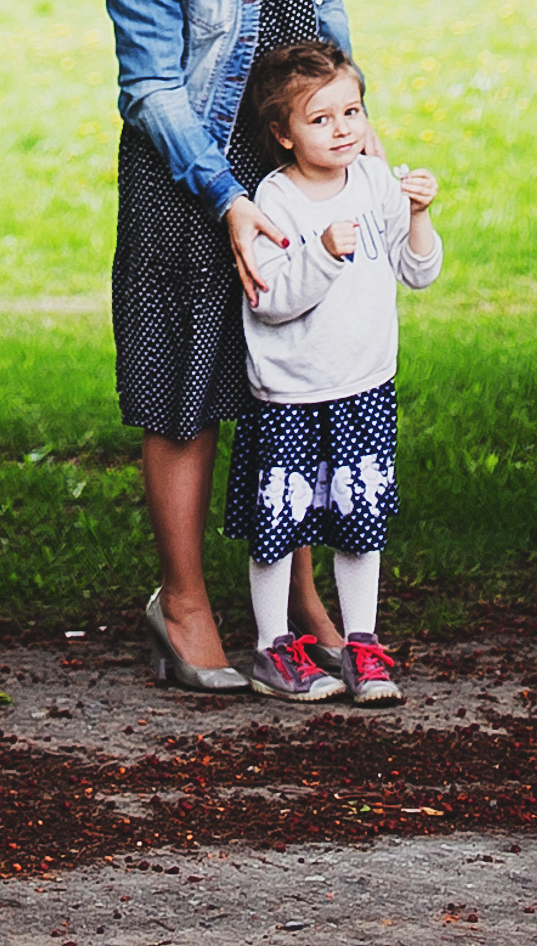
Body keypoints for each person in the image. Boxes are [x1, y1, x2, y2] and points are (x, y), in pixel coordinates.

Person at [103, 0, 354, 696]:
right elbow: (152, 92)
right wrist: (230, 200)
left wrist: (350, 131)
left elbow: (323, 9)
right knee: (186, 395)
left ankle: (298, 606)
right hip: (191, 188)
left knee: (281, 388)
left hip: (289, 176)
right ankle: (184, 603)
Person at [225, 38, 441, 706]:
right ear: (282, 135)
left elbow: (419, 273)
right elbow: (271, 301)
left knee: (360, 521)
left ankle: (362, 644)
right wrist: (321, 254)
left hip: (363, 386)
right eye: (320, 120)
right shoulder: (275, 200)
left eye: (351, 112)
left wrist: (417, 216)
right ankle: (271, 647)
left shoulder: (374, 181)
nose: (342, 128)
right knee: (280, 523)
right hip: (291, 394)